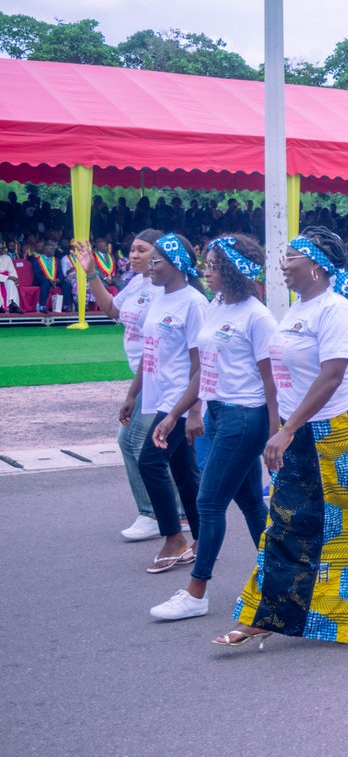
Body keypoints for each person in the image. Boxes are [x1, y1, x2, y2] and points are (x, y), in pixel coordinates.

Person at [216, 227, 348, 648]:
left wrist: (287, 429)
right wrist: (281, 426)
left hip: (345, 428)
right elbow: (284, 376)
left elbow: (334, 373)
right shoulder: (295, 309)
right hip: (300, 431)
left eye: (291, 257)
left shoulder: (336, 309)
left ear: (317, 266)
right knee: (286, 521)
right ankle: (266, 614)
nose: (283, 264)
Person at [146, 235, 276, 621]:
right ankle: (278, 576)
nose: (207, 270)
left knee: (208, 501)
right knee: (252, 502)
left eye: (214, 265)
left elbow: (271, 383)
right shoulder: (217, 306)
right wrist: (178, 413)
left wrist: (275, 434)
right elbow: (204, 369)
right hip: (218, 412)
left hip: (244, 417)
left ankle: (197, 590)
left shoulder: (257, 316)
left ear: (234, 270)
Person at [75, 231, 183, 541]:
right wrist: (92, 272)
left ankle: (153, 513)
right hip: (142, 375)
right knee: (162, 450)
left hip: (161, 380)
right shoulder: (137, 282)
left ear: (160, 254)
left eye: (141, 250)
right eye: (132, 250)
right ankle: (179, 511)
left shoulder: (167, 290)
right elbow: (113, 310)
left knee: (135, 442)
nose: (133, 255)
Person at [119, 233, 208, 573]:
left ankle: (173, 536)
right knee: (184, 473)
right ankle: (202, 537)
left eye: (156, 261)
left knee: (150, 463)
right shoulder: (158, 297)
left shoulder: (194, 303)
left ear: (177, 265)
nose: (151, 266)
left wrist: (194, 410)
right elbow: (148, 351)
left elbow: (202, 363)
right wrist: (132, 393)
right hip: (158, 396)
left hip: (179, 401)